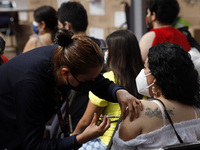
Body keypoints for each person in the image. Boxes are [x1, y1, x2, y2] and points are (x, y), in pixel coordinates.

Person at [0, 29, 142, 150]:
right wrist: (80, 138)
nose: (93, 83)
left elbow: (96, 81)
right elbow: (33, 146)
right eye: (88, 80)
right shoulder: (31, 83)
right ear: (65, 73)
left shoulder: (65, 55)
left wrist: (118, 92)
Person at [112, 42, 200, 150]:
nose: (142, 73)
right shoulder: (195, 110)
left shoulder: (138, 110)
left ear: (156, 77)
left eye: (145, 67)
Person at [72, 29, 144, 150]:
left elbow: (86, 121)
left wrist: (73, 137)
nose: (105, 53)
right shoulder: (144, 78)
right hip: (137, 142)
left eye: (107, 49)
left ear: (114, 53)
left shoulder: (107, 80)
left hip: (109, 142)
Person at [53, 1, 107, 133]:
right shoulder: (101, 45)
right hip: (96, 116)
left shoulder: (62, 52)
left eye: (60, 26)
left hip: (72, 116)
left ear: (67, 25)